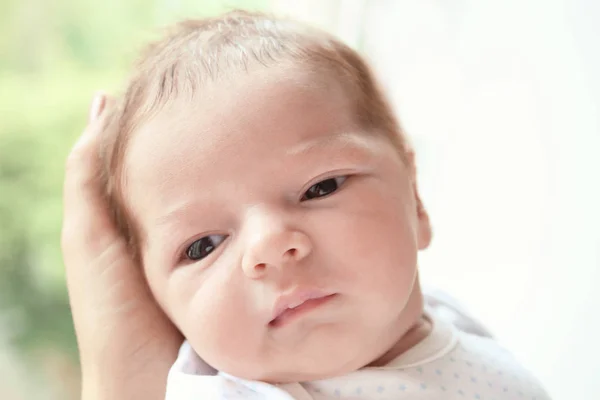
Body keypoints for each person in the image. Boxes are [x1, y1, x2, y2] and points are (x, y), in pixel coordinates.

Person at [63, 11, 550, 400]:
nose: (269, 246)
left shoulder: (454, 319)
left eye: (321, 188)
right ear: (160, 303)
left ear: (415, 199)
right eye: (203, 246)